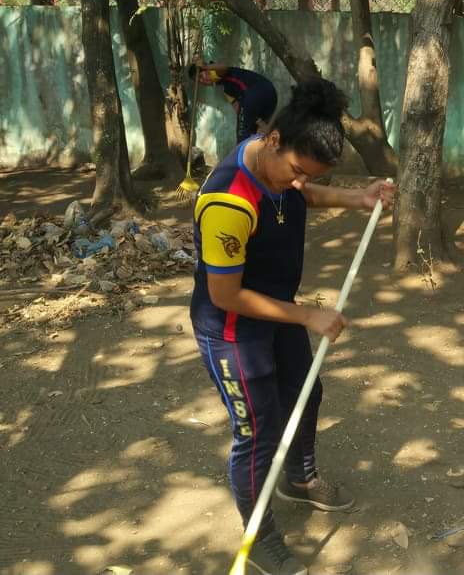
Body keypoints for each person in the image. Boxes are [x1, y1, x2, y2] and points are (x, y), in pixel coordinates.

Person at [190, 78, 394, 575]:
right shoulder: (227, 202)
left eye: (308, 175)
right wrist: (306, 314)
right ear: (274, 140)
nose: (297, 181)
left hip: (275, 310)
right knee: (257, 431)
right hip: (232, 329)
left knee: (308, 391)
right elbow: (225, 295)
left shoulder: (280, 164)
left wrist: (358, 199)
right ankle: (260, 538)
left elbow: (302, 193)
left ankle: (299, 480)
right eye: (297, 171)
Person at [190, 62, 279, 144]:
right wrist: (256, 121)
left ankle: (243, 153)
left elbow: (224, 67)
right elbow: (239, 110)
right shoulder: (227, 90)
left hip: (256, 93)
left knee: (242, 137)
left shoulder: (218, 72)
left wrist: (205, 66)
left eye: (201, 76)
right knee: (255, 132)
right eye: (199, 81)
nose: (202, 81)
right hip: (270, 94)